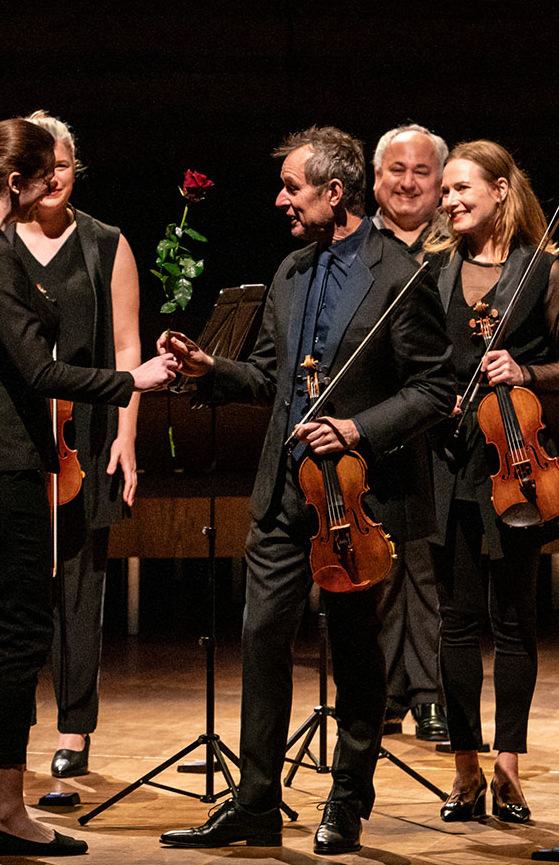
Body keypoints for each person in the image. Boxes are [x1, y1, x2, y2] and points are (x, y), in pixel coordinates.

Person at [158, 126, 453, 854]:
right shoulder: (290, 270)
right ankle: (256, 801)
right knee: (261, 638)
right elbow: (267, 374)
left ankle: (348, 799)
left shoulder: (400, 274)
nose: (281, 199)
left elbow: (436, 386)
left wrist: (357, 429)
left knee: (353, 649)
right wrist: (208, 370)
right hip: (284, 495)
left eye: (293, 187)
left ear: (334, 192)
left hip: (358, 497)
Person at [0, 117, 177, 857]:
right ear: (17, 182)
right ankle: (5, 810)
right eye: (43, 174)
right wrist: (133, 378)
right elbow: (40, 372)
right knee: (21, 640)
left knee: (7, 639)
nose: (51, 186)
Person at [422, 140, 559, 822]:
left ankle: (509, 769)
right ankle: (464, 770)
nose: (452, 201)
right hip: (446, 463)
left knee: (516, 622)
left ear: (499, 190)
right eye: (446, 192)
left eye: (465, 188)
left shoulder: (542, 273)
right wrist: (439, 397)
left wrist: (523, 371)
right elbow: (414, 369)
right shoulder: (430, 274)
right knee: (457, 624)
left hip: (516, 467)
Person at [8, 111, 143, 779]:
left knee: (81, 591)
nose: (53, 176)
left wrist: (126, 437)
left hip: (82, 439)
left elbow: (126, 348)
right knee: (16, 591)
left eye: (62, 163)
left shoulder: (104, 243)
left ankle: (73, 730)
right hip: (11, 438)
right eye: (40, 165)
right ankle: (7, 731)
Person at [370, 123, 450, 741]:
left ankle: (428, 693)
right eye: (396, 169)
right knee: (377, 565)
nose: (408, 182)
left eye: (422, 171)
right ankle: (382, 691)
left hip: (436, 426)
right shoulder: (354, 245)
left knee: (424, 565)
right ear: (375, 179)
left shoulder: (458, 246)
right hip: (370, 425)